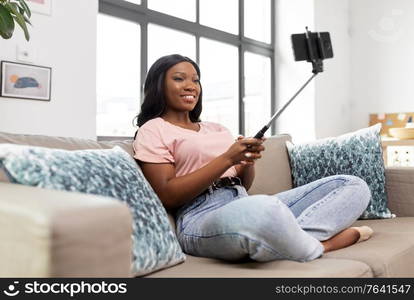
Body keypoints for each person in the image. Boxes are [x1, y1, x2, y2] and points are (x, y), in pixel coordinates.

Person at [133, 54, 373, 262]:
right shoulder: (153, 129)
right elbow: (168, 195)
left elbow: (243, 184)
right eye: (179, 78)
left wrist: (246, 163)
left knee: (354, 185)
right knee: (264, 209)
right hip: (200, 216)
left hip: (242, 199)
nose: (191, 86)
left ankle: (286, 239)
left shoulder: (215, 129)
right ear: (159, 85)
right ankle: (319, 246)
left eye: (195, 80)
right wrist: (227, 158)